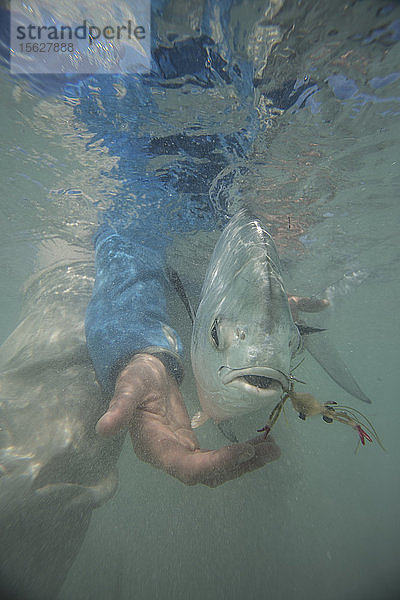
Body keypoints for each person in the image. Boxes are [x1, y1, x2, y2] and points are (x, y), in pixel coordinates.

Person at [0, 1, 328, 598]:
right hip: (97, 250)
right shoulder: (93, 33)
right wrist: (138, 344)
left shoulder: (318, 53)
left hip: (216, 280)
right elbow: (132, 216)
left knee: (253, 466)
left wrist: (259, 280)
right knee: (49, 448)